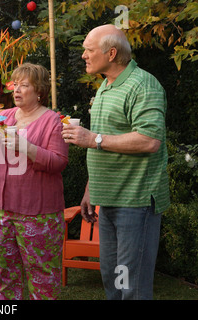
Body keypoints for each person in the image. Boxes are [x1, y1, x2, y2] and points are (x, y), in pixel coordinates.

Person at [62, 24, 170, 300]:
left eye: (88, 50)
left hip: (135, 202)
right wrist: (90, 189)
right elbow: (102, 142)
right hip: (107, 199)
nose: (84, 55)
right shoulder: (105, 87)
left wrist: (93, 138)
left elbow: (149, 140)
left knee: (130, 284)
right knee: (113, 279)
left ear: (111, 53)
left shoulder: (144, 85)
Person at [0, 63, 69, 300]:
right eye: (15, 85)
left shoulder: (52, 120)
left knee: (43, 276)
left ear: (39, 90)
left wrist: (27, 148)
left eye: (24, 85)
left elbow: (59, 162)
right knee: (6, 274)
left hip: (39, 213)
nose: (17, 90)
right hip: (3, 209)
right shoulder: (3, 117)